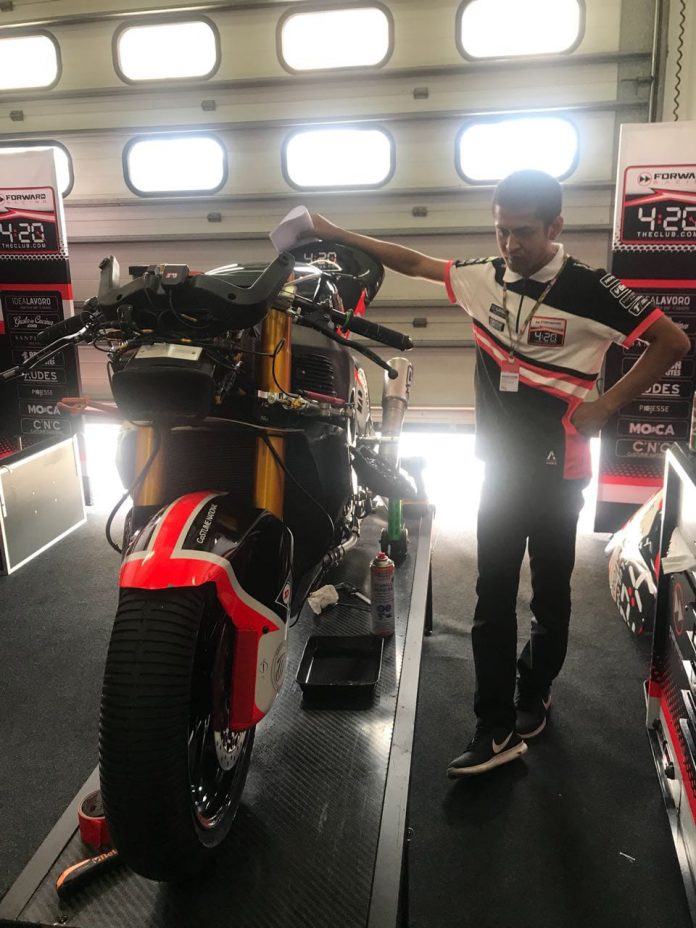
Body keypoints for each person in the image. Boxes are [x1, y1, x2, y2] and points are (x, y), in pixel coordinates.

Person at [306, 169, 689, 777]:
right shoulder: (483, 276)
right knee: (492, 597)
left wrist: (607, 407)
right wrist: (334, 232)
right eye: (502, 230)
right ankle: (494, 727)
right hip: (500, 472)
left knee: (552, 596)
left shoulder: (591, 287)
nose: (511, 244)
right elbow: (414, 262)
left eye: (525, 232)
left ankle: (535, 687)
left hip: (561, 473)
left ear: (556, 227)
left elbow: (671, 342)